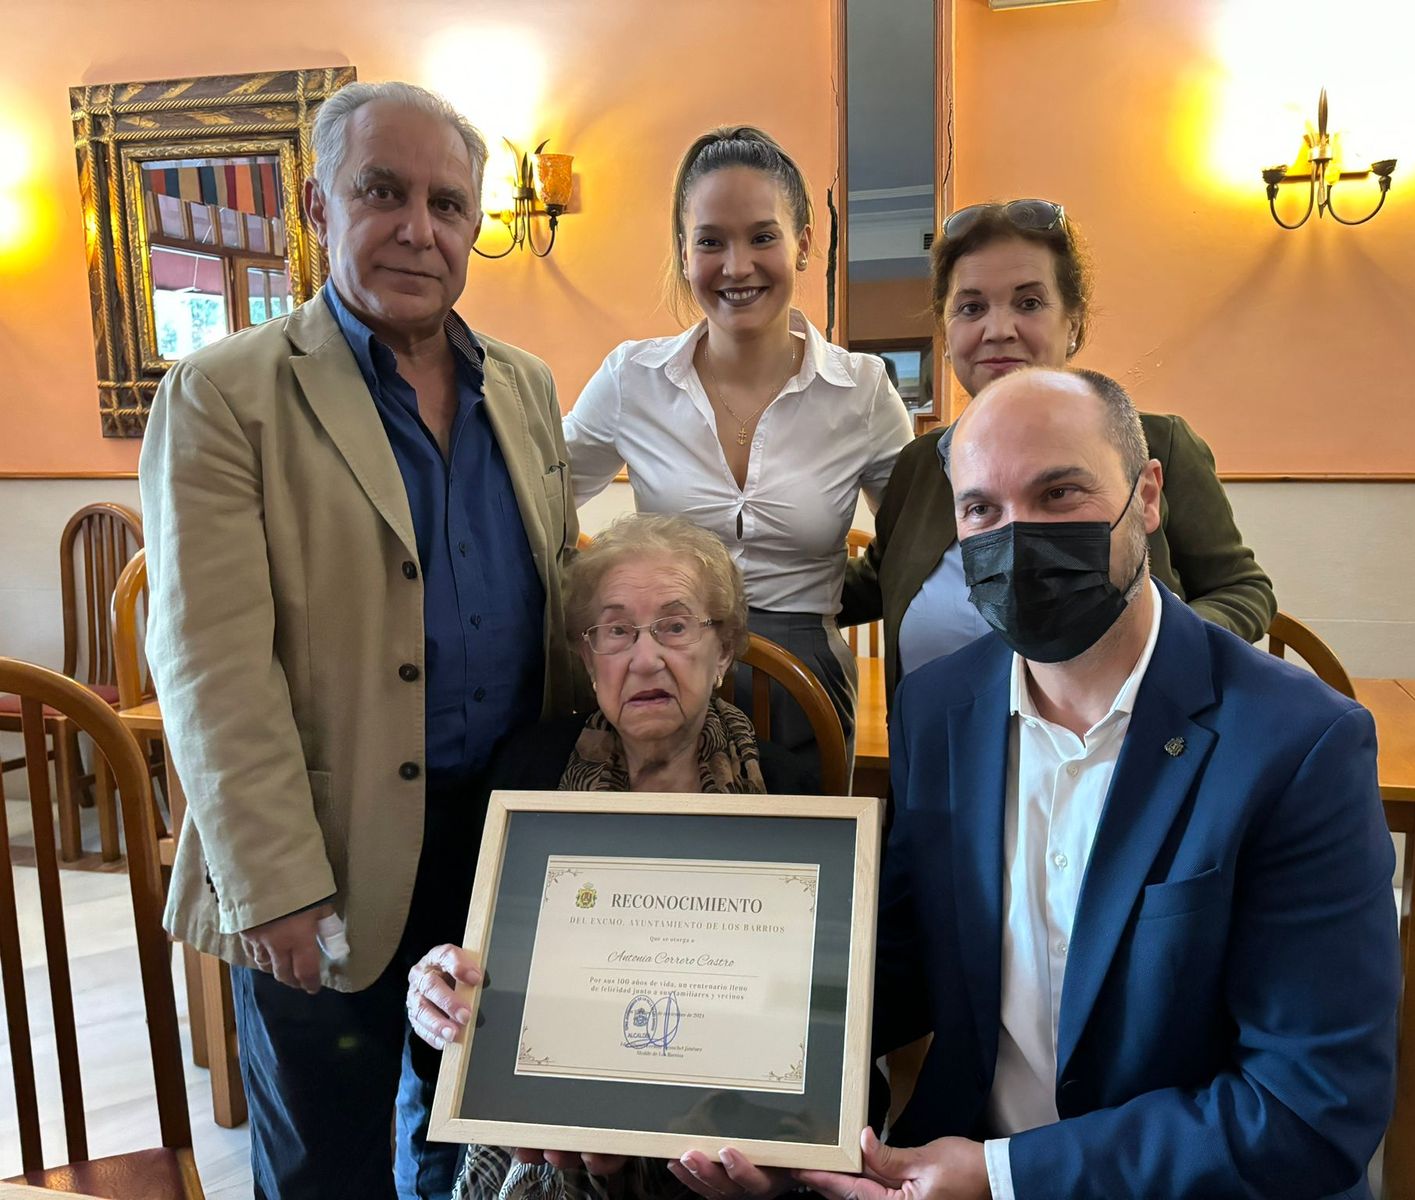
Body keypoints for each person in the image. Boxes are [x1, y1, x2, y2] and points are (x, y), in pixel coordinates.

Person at [671, 367, 1398, 1200]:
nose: (1017, 537)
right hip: (952, 1151)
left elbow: (1312, 1110)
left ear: (1148, 496)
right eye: (982, 509)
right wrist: (706, 1075)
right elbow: (904, 958)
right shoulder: (940, 707)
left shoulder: (1300, 745)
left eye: (1061, 494)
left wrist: (1000, 1177)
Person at [140, 80, 582, 1200]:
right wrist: (276, 881)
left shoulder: (522, 387)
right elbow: (209, 666)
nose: (417, 231)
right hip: (325, 857)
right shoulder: (225, 394)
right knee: (327, 1162)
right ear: (316, 205)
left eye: (447, 204)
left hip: (497, 846)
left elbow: (559, 600)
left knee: (472, 1141)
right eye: (382, 192)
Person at [404, 514, 816, 1200]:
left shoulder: (789, 792)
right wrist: (434, 999)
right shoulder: (527, 778)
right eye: (617, 631)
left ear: (725, 652)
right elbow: (450, 1002)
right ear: (588, 657)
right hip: (547, 1142)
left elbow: (825, 1020)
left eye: (676, 626)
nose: (645, 658)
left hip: (727, 1146)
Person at [563, 126, 913, 767]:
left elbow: (915, 543)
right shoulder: (630, 379)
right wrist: (605, 605)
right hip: (658, 681)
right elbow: (537, 499)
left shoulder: (861, 390)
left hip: (805, 689)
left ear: (803, 243)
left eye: (762, 236)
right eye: (710, 242)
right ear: (683, 251)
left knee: (799, 864)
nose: (736, 266)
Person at [843, 199, 1275, 692]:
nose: (998, 329)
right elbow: (878, 583)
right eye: (971, 307)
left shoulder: (1156, 443)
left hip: (1128, 754)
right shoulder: (922, 464)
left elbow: (1241, 588)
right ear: (945, 332)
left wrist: (1164, 658)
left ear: (1074, 323)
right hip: (942, 762)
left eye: (1029, 303)